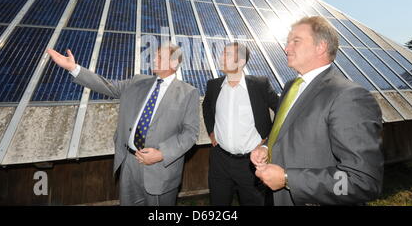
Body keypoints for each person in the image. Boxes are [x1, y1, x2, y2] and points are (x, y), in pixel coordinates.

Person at [251, 16, 384, 206]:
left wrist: (289, 179)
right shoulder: (291, 87)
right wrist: (266, 148)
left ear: (320, 47)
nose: (286, 48)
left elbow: (363, 181)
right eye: (287, 42)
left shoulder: (349, 96)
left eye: (295, 41)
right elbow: (285, 132)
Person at [47, 43, 199, 206]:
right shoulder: (137, 81)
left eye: (160, 57)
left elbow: (190, 133)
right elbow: (107, 86)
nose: (153, 58)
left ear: (174, 63)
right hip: (129, 162)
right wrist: (74, 68)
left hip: (161, 168)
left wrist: (162, 154)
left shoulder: (188, 92)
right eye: (155, 55)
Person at [202, 41, 279, 205]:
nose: (221, 57)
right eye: (222, 53)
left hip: (251, 163)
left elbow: (282, 112)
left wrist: (267, 140)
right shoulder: (213, 85)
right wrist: (211, 131)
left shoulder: (259, 85)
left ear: (242, 61)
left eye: (227, 54)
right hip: (219, 160)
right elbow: (206, 107)